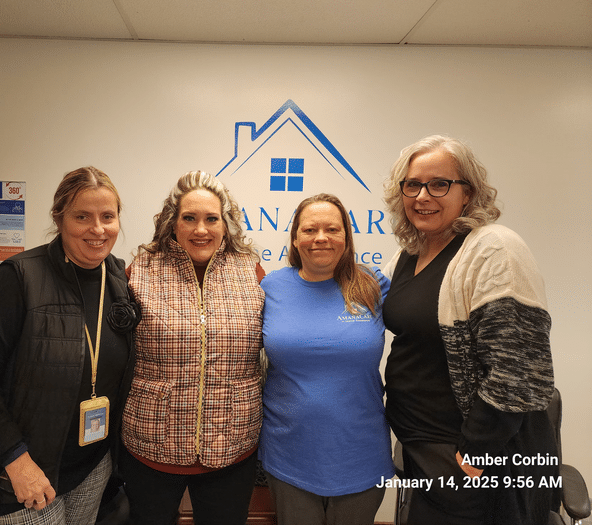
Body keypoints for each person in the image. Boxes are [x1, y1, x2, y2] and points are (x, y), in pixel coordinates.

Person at [382, 135, 556, 525]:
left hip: (472, 456)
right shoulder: (407, 256)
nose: (423, 196)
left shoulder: (493, 249)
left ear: (468, 192)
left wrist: (475, 451)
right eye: (413, 185)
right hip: (420, 444)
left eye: (439, 184)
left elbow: (518, 370)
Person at [0, 167, 138, 525]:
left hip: (90, 468)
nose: (98, 229)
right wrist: (15, 460)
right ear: (59, 217)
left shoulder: (117, 278)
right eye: (82, 216)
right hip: (19, 473)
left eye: (107, 216)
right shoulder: (19, 278)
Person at [119, 170, 265, 525]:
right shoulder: (140, 272)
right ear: (172, 223)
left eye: (212, 219)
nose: (201, 229)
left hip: (233, 445)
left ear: (226, 224)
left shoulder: (252, 272)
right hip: (151, 445)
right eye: (190, 218)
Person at [258, 193, 394, 525]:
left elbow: (421, 341)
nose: (321, 238)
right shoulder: (270, 287)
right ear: (294, 237)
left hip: (361, 452)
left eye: (332, 229)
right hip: (288, 454)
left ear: (346, 237)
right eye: (310, 229)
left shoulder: (372, 284)